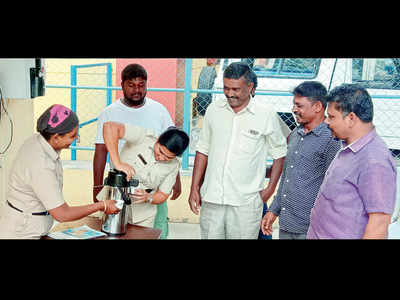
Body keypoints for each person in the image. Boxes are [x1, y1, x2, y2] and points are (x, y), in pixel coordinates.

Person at [188, 62, 287, 239]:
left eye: (236, 89)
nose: (230, 93)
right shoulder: (214, 110)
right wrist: (194, 187)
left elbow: (280, 154)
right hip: (212, 198)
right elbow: (203, 150)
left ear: (250, 87)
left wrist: (269, 190)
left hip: (246, 204)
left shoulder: (266, 114)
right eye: (226, 88)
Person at [0, 104, 120, 239]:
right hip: (22, 232)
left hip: (31, 224)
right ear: (56, 137)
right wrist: (101, 205)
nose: (75, 139)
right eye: (73, 135)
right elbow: (62, 214)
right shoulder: (40, 164)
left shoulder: (38, 140)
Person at [93, 63, 181, 239]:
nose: (136, 90)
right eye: (131, 85)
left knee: (156, 232)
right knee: (114, 231)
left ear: (147, 85)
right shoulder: (109, 113)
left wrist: (175, 182)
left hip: (151, 189)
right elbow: (101, 152)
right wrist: (96, 186)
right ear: (122, 85)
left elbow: (171, 149)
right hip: (118, 186)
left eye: (141, 85)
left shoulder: (159, 111)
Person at [307, 83, 397, 239]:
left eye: (332, 116)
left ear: (351, 118)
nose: (326, 121)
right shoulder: (349, 146)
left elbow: (379, 224)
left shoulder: (374, 161)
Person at [260, 81, 341, 239]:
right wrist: (273, 210)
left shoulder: (331, 139)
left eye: (299, 105)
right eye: (294, 104)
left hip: (313, 228)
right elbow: (286, 177)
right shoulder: (296, 135)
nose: (293, 109)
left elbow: (334, 187)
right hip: (287, 224)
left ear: (317, 107)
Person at [96, 122, 189, 229]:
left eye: (168, 158)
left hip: (143, 214)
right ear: (158, 140)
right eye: (160, 151)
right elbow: (110, 127)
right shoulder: (143, 137)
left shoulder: (174, 165)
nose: (161, 158)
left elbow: (162, 195)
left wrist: (148, 197)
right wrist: (117, 163)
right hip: (114, 200)